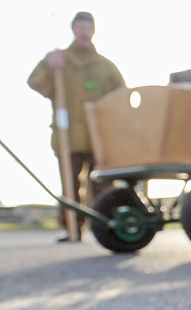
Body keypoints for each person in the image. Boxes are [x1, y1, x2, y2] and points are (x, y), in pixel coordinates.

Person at [27, 11, 125, 241]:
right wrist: (50, 66)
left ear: (94, 30)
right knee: (69, 184)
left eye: (88, 27)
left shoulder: (105, 66)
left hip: (99, 136)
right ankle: (72, 228)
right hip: (67, 136)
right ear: (74, 30)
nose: (85, 32)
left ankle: (106, 227)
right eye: (81, 27)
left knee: (102, 184)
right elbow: (34, 82)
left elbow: (121, 97)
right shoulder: (59, 60)